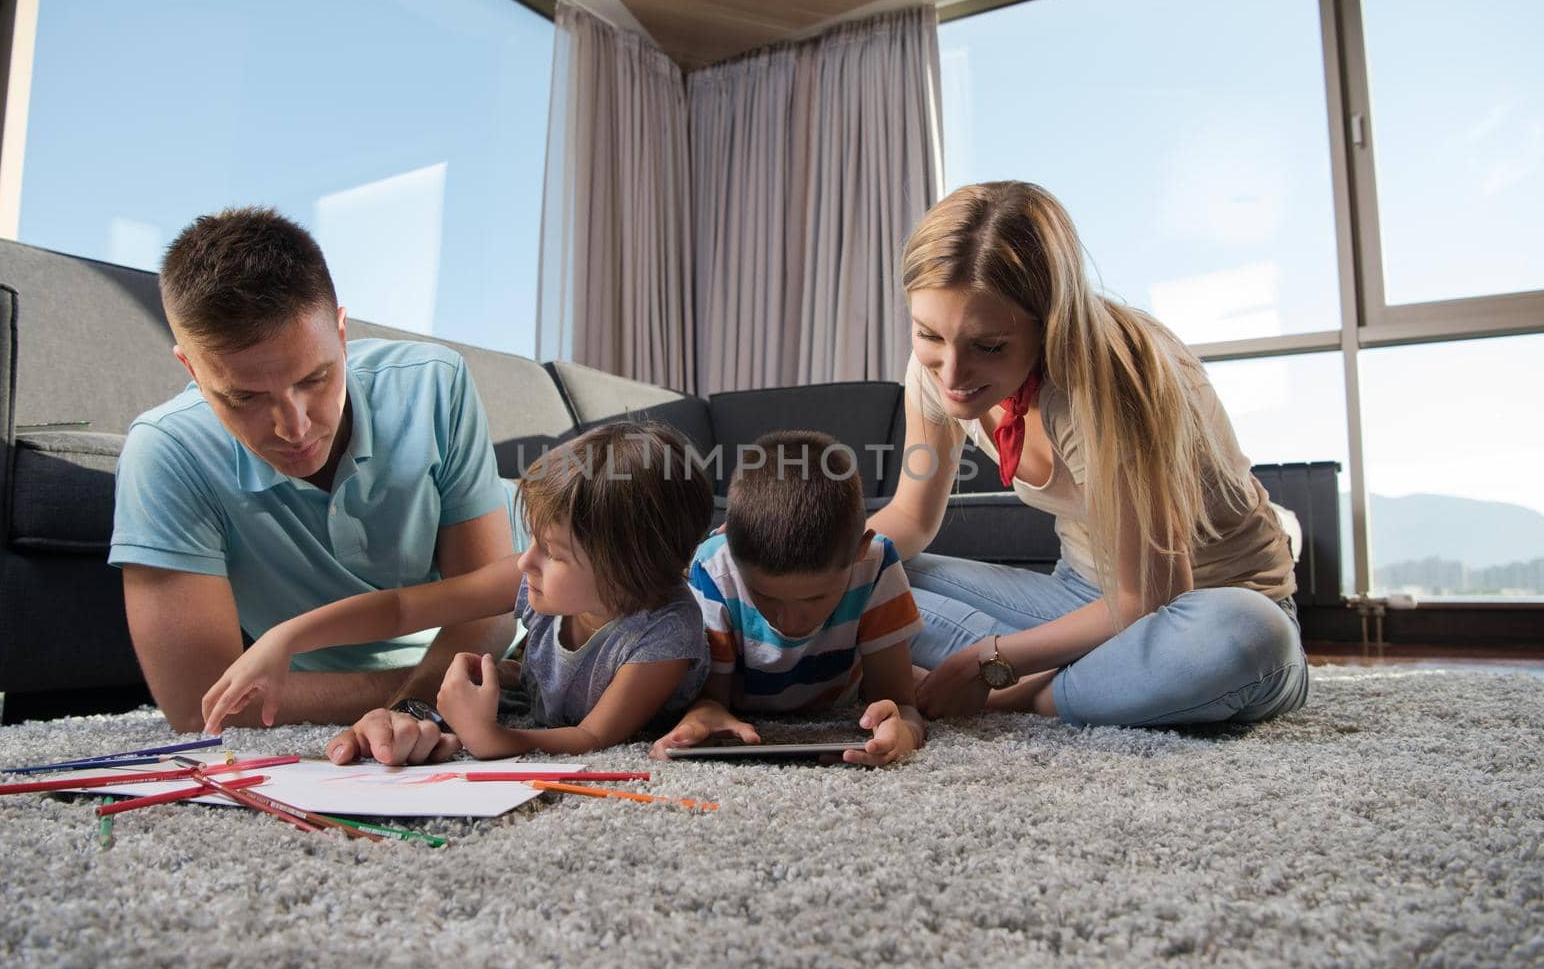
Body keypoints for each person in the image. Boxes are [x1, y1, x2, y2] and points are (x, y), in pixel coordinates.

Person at [867, 181, 1308, 727]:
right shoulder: (936, 373)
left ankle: (1024, 695)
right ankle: (1086, 679)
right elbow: (909, 518)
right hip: (1076, 598)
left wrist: (987, 663)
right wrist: (797, 560)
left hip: (1196, 611)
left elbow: (1149, 594)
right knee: (870, 571)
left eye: (988, 346)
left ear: (1049, 321)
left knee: (1246, 637)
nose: (952, 374)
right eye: (928, 335)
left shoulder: (1103, 381)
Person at [110, 206, 521, 764]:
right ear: (191, 369)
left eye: (315, 378)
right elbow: (199, 706)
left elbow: (487, 607)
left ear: (343, 333)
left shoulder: (435, 383)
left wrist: (418, 703)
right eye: (245, 397)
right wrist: (449, 688)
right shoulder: (166, 452)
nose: (295, 427)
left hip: (540, 559)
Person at [201, 422, 716, 758]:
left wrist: (492, 738)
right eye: (533, 540)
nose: (525, 560)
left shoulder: (663, 637)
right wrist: (286, 638)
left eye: (553, 553)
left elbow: (592, 737)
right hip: (543, 689)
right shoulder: (535, 578)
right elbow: (403, 609)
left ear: (629, 570)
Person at [654, 430, 926, 767]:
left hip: (838, 701)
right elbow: (711, 699)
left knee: (934, 683)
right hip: (747, 708)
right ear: (733, 556)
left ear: (860, 551)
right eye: (765, 597)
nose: (790, 622)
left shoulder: (877, 563)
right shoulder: (713, 569)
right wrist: (703, 716)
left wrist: (905, 732)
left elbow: (901, 704)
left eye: (815, 598)